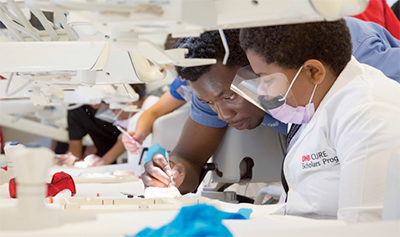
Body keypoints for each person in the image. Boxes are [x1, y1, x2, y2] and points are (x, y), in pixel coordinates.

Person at [239, 19, 400, 222]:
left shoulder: (368, 113)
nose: (263, 91)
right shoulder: (310, 98)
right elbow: (301, 206)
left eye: (267, 79)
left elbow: (364, 226)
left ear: (314, 71)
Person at [58, 84, 147, 166]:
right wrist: (69, 159)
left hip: (128, 156)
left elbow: (130, 130)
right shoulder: (77, 107)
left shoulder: (121, 99)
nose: (112, 111)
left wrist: (105, 160)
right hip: (107, 159)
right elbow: (75, 147)